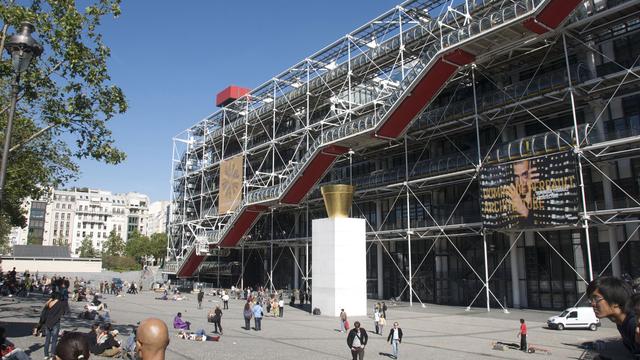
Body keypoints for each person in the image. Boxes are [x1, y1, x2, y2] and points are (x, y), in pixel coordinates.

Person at [587, 276, 639, 356]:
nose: (592, 304)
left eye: (596, 298)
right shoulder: (620, 322)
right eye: (591, 300)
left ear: (615, 301)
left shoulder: (634, 323)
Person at [43, 292, 65, 359]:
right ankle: (52, 355)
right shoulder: (61, 304)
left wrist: (50, 300)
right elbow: (63, 313)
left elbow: (45, 307)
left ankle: (46, 355)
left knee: (47, 340)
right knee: (54, 341)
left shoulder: (50, 303)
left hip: (48, 323)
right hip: (55, 323)